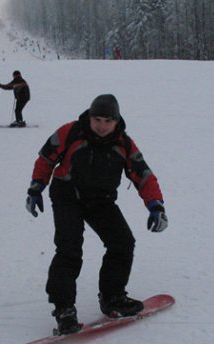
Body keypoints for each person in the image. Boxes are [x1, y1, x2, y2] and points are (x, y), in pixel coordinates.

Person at [25, 94, 168, 335]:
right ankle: (64, 309)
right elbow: (46, 158)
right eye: (97, 119)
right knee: (69, 249)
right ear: (90, 118)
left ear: (117, 121)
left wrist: (156, 206)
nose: (102, 126)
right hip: (67, 196)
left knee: (122, 242)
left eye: (108, 121)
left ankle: (112, 298)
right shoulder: (71, 132)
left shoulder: (124, 143)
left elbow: (143, 174)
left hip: (100, 200)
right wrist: (36, 187)